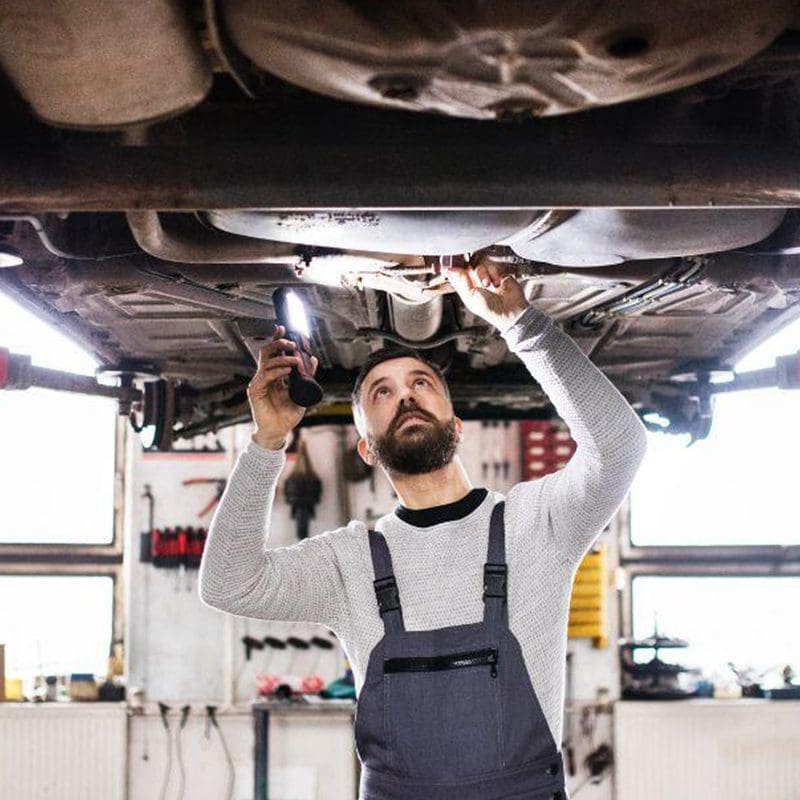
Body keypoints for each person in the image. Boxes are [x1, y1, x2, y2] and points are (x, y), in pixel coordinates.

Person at [199, 256, 648, 799]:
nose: (405, 395)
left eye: (421, 382)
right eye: (381, 393)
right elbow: (228, 582)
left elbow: (620, 446)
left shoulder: (537, 524)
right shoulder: (349, 562)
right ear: (365, 447)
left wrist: (522, 324)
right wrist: (267, 441)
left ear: (456, 426)